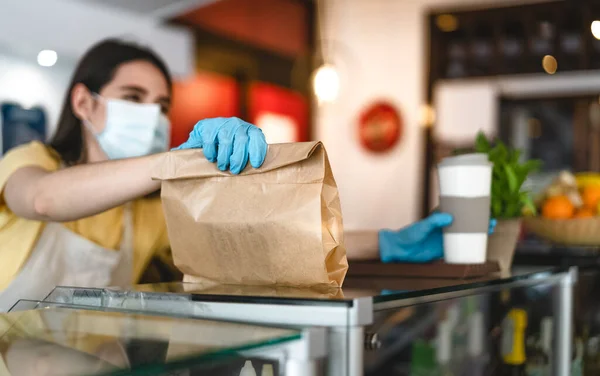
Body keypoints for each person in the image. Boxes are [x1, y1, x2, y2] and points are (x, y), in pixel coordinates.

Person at [0, 38, 493, 311]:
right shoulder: (31, 161)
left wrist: (388, 243)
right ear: (84, 102)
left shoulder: (149, 212)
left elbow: (265, 238)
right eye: (134, 98)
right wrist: (177, 161)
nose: (152, 116)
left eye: (163, 105)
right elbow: (43, 200)